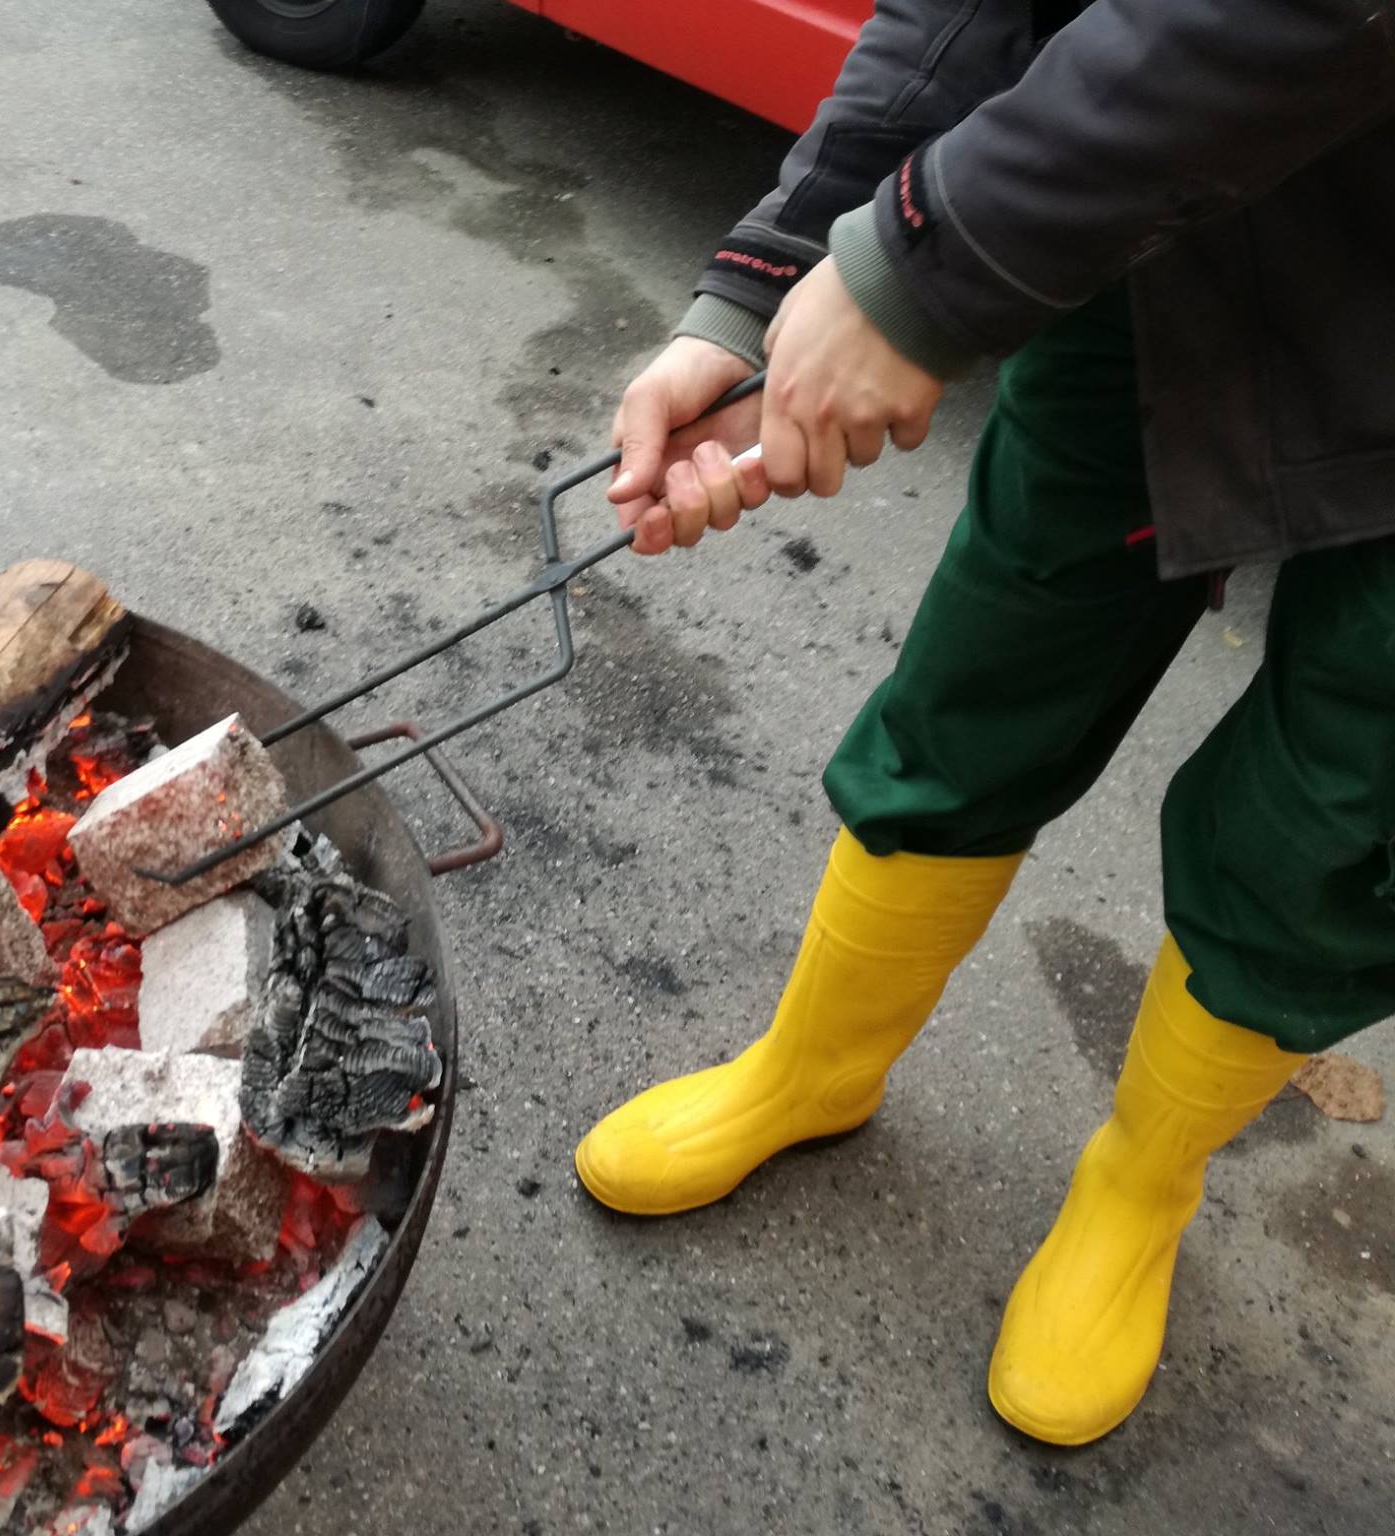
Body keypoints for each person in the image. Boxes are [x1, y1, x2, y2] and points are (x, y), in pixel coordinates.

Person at [574, 0, 1395, 1447]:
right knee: (993, 660)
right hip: (1190, 236)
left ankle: (1142, 1184)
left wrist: (918, 272)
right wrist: (768, 289)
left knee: (1337, 804)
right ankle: (816, 1066)